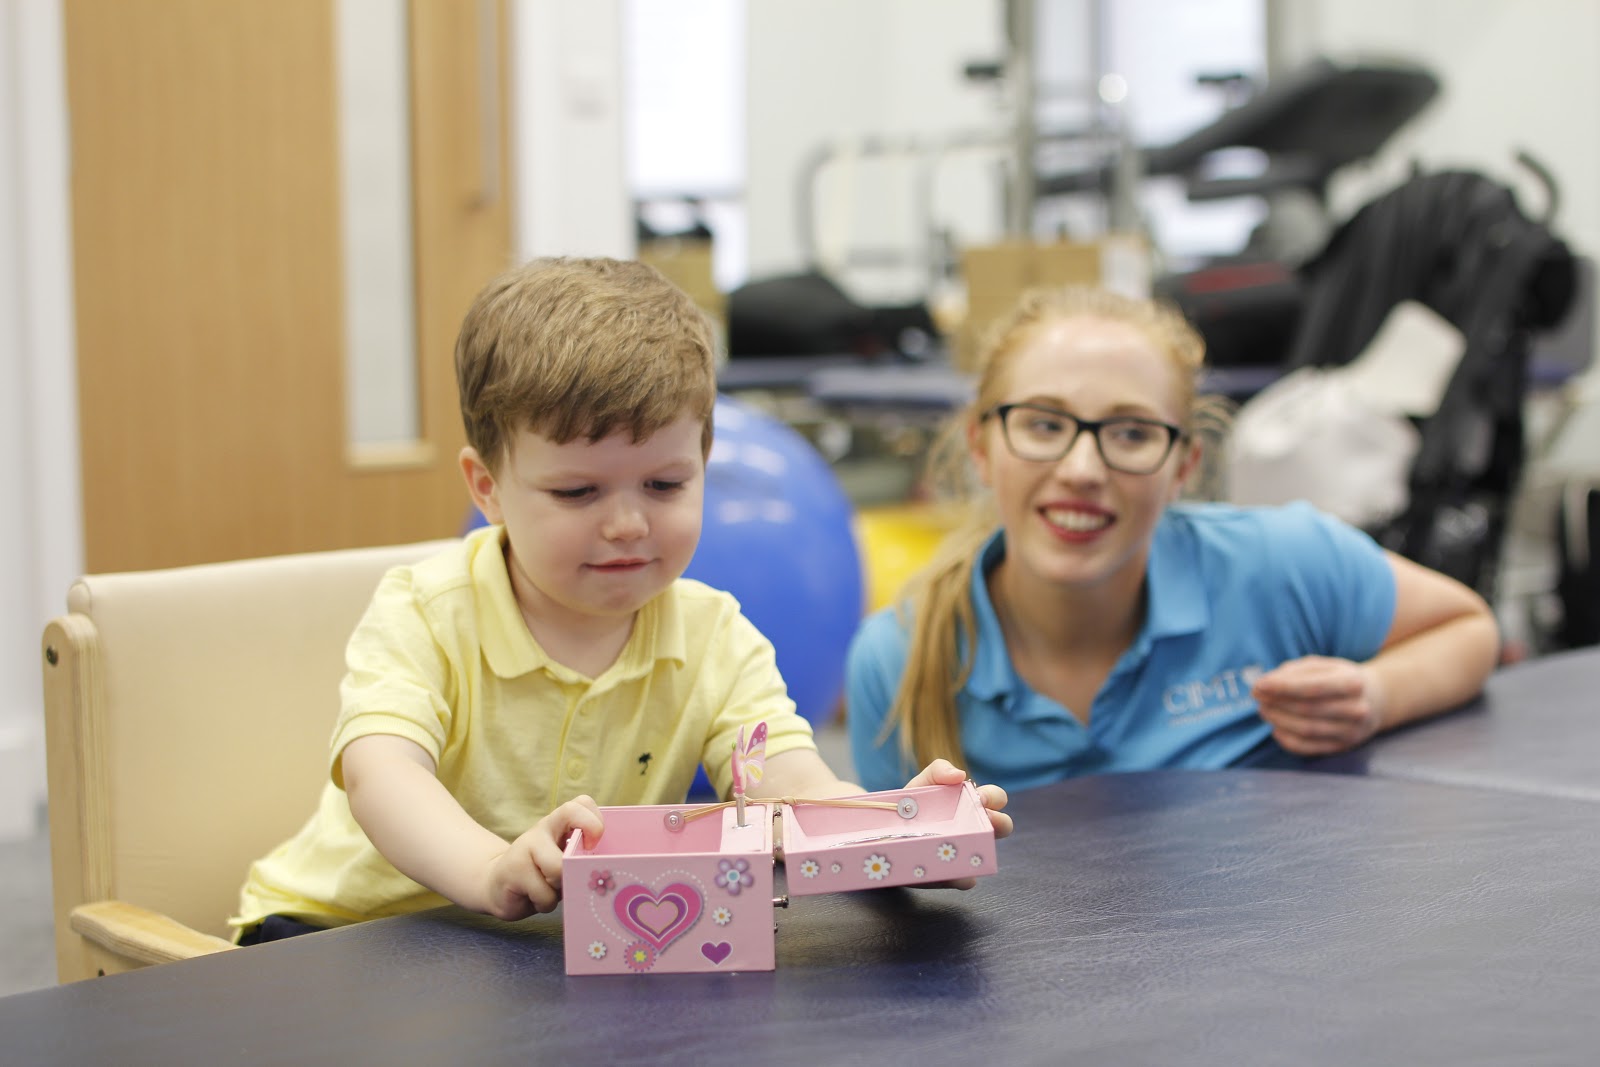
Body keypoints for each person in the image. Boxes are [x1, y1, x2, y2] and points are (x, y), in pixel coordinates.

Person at [231, 257, 1011, 943]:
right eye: (578, 491)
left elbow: (787, 781)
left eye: (666, 484)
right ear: (487, 486)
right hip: (337, 934)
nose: (629, 523)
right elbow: (383, 773)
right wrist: (490, 866)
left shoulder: (715, 638)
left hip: (537, 952)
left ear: (706, 460)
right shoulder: (427, 610)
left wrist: (890, 833)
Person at [846, 284, 1500, 794]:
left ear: (1183, 466)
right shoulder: (901, 663)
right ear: (981, 447)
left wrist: (1376, 696)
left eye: (1131, 433)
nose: (1082, 470)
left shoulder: (1280, 564)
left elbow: (1469, 626)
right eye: (1044, 425)